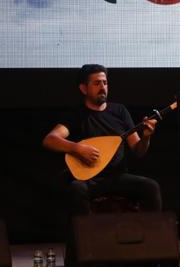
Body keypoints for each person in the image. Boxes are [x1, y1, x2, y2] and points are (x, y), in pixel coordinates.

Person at [42, 64, 161, 217]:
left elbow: (138, 151)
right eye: (97, 83)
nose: (103, 87)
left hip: (117, 177)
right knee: (76, 189)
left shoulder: (120, 111)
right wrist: (78, 149)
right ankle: (86, 233)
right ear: (84, 89)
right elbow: (50, 140)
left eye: (105, 83)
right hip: (89, 179)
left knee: (151, 187)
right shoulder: (76, 115)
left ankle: (150, 231)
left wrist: (146, 136)